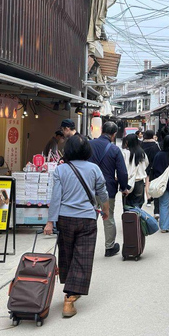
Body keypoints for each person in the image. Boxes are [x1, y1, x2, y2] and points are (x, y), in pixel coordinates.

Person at [44, 134, 110, 318]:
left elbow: (56, 198)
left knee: (67, 253)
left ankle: (70, 287)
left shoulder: (61, 170)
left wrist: (50, 221)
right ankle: (70, 297)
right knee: (83, 256)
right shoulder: (94, 169)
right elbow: (102, 193)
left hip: (65, 219)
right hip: (87, 219)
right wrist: (106, 211)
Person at [88, 121, 129, 257]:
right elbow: (122, 172)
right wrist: (124, 187)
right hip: (108, 188)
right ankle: (109, 247)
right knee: (108, 216)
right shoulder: (114, 149)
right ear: (113, 134)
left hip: (89, 188)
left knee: (89, 217)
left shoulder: (89, 145)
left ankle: (86, 245)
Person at [121, 134, 148, 208]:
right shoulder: (142, 153)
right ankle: (137, 219)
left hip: (128, 182)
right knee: (138, 205)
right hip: (139, 182)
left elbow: (122, 168)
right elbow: (146, 164)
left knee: (127, 205)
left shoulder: (125, 153)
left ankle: (128, 219)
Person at [141, 130, 162, 217]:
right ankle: (152, 197)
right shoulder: (155, 145)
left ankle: (148, 199)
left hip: (143, 166)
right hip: (153, 166)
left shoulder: (141, 145)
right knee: (151, 182)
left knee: (147, 182)